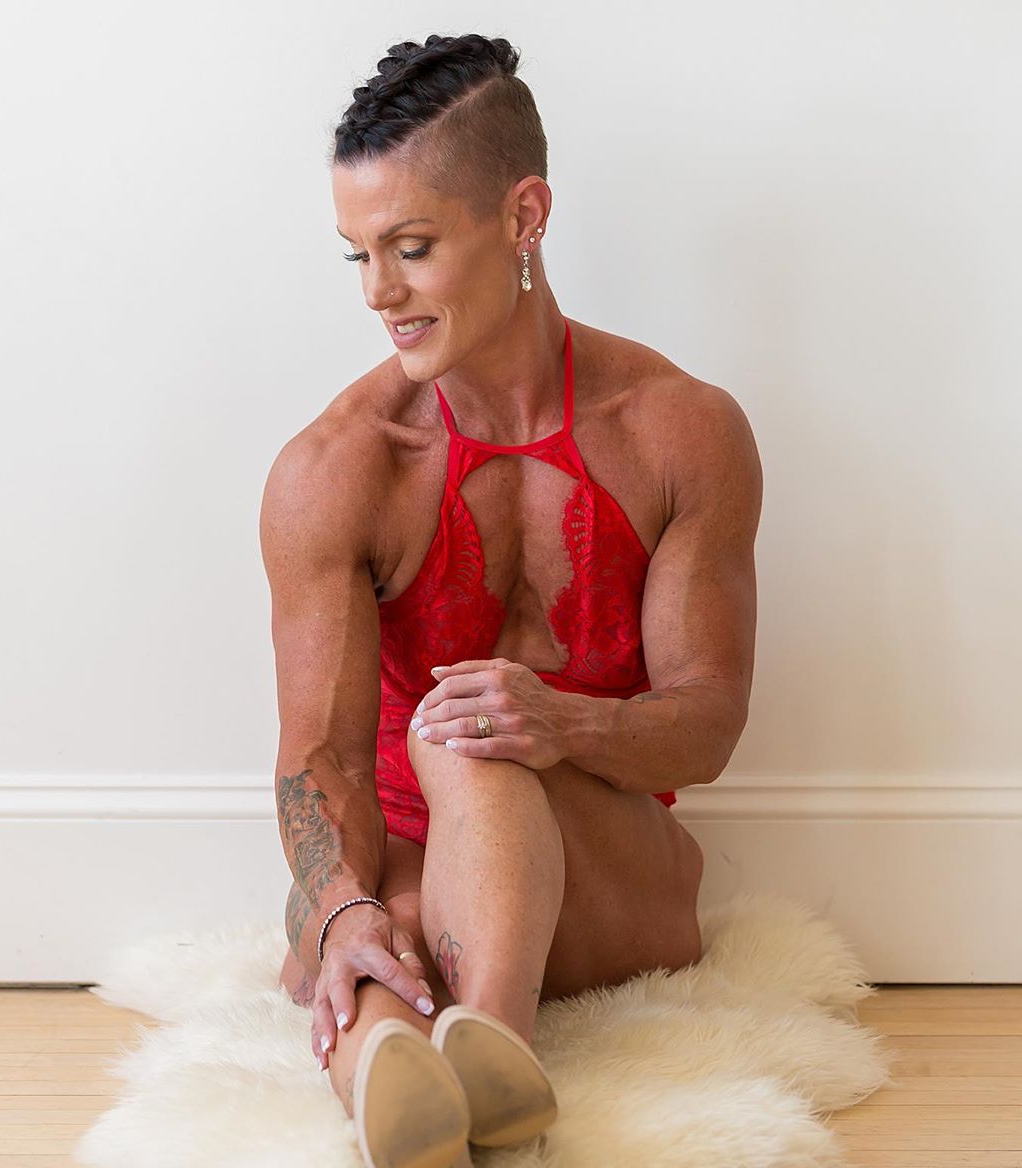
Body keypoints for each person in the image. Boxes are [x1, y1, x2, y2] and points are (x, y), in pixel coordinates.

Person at [260, 31, 761, 1159]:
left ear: (524, 215)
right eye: (358, 255)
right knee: (366, 933)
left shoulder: (681, 431)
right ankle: (433, 1076)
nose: (380, 293)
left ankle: (482, 1036)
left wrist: (560, 722)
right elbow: (319, 762)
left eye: (413, 248)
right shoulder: (337, 468)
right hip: (406, 862)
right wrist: (340, 910)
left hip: (606, 871)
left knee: (466, 731)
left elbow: (709, 725)